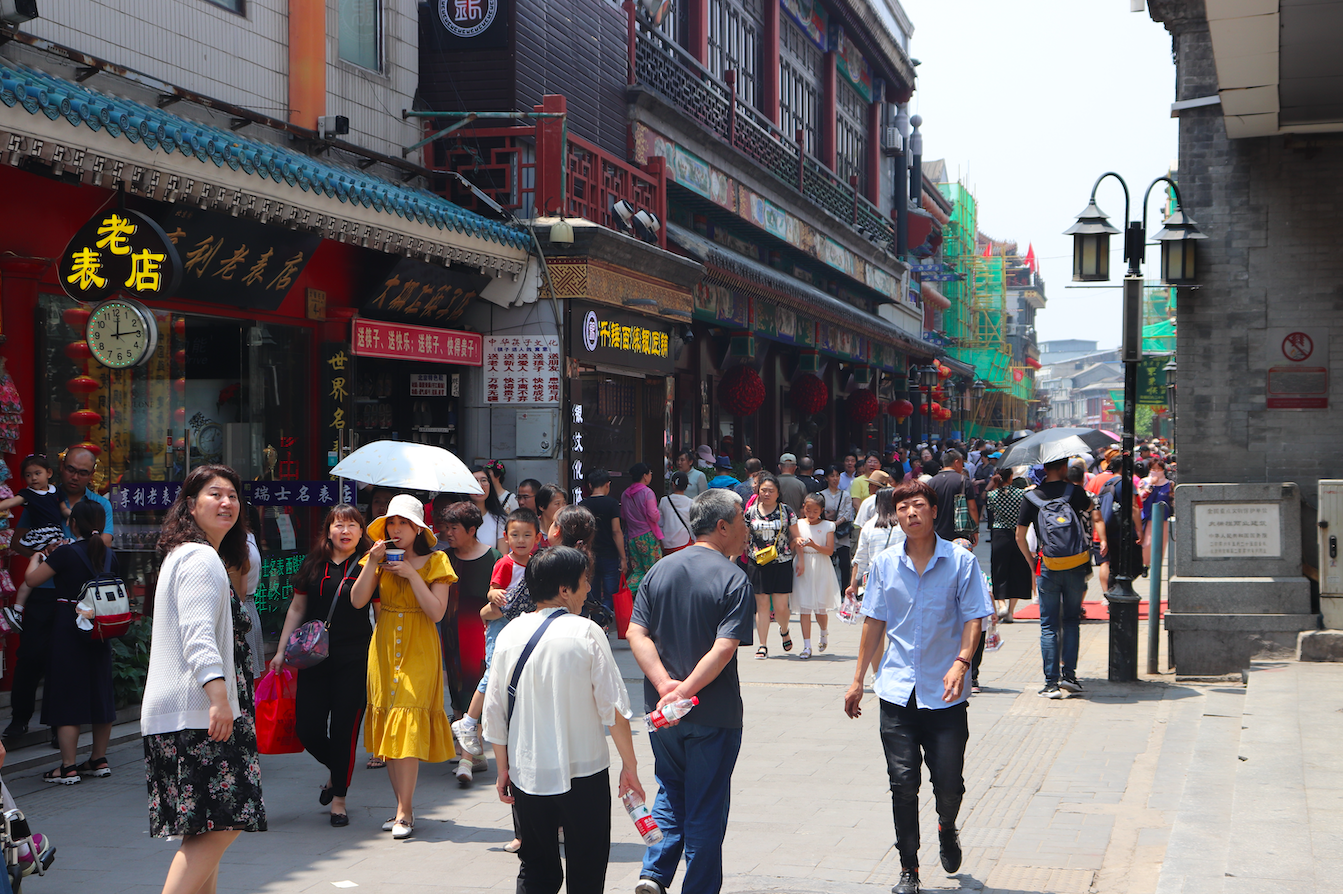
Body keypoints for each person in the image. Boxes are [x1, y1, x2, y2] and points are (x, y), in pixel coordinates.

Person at [844, 480, 992, 894]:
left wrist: (962, 663)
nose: (911, 513)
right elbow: (873, 621)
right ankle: (909, 869)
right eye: (904, 507)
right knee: (902, 782)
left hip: (945, 697)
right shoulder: (886, 564)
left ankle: (947, 826)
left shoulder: (961, 562)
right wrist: (857, 680)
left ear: (932, 511)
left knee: (948, 783)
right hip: (896, 693)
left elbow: (974, 617)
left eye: (918, 505)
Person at [483, 546, 644, 894]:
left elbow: (494, 711)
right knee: (586, 871)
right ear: (565, 589)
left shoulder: (510, 633)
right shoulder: (585, 632)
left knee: (536, 870)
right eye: (584, 582)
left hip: (528, 771)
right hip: (584, 772)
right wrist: (629, 767)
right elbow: (614, 710)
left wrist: (502, 768)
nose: (588, 589)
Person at [142, 465, 265, 894]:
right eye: (215, 494)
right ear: (190, 506)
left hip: (186, 714)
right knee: (226, 822)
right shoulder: (198, 557)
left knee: (207, 828)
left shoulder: (190, 555)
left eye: (233, 495)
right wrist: (219, 698)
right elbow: (197, 637)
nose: (227, 502)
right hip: (198, 714)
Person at [627, 489, 755, 894]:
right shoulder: (733, 578)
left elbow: (635, 632)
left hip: (663, 713)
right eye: (741, 520)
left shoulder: (660, 569)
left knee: (670, 789)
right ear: (722, 527)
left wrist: (665, 686)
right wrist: (685, 689)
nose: (747, 528)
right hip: (711, 712)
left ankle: (653, 875)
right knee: (706, 805)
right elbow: (723, 647)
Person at [350, 494, 456, 839]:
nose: (395, 529)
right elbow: (357, 600)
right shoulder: (377, 557)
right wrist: (372, 563)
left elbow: (437, 612)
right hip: (383, 648)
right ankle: (400, 807)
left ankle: (405, 812)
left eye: (403, 523)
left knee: (407, 722)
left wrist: (411, 574)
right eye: (390, 523)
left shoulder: (437, 560)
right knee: (390, 728)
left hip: (420, 646)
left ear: (418, 527)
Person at [270, 504, 372, 827]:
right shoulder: (313, 564)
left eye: (352, 525)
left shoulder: (370, 565)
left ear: (361, 532)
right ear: (328, 530)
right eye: (338, 525)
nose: (345, 531)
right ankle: (338, 769)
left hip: (355, 659)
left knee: (344, 729)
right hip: (313, 658)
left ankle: (338, 799)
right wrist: (280, 649)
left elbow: (378, 614)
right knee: (308, 728)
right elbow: (297, 608)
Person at [5, 445, 113, 743]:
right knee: (30, 655)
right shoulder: (42, 496)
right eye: (70, 469)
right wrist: (43, 553)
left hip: (80, 598)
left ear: (92, 474)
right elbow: (17, 541)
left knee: (66, 661)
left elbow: (105, 542)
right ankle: (19, 719)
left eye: (83, 472)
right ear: (60, 468)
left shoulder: (98, 504)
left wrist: (69, 550)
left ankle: (61, 727)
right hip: (44, 591)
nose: (75, 476)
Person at [25, 501, 116, 784]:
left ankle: (68, 767)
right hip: (100, 629)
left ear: (73, 524)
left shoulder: (65, 553)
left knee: (66, 693)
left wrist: (36, 557)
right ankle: (99, 759)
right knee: (100, 691)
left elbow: (31, 580)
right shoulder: (109, 554)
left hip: (70, 627)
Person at [1015, 458, 1098, 699]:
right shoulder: (1074, 491)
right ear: (1063, 468)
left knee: (1049, 624)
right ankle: (1070, 677)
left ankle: (1051, 683)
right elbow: (1091, 510)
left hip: (1047, 565)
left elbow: (1019, 536)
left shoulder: (1031, 497)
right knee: (1071, 620)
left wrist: (1031, 561)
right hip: (1076, 563)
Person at [435, 501, 500, 787]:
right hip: (449, 630)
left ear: (472, 530)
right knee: (456, 685)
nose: (448, 533)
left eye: (454, 528)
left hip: (478, 631)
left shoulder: (493, 558)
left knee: (477, 684)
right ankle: (473, 751)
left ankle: (469, 753)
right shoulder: (443, 557)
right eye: (446, 527)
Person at [0, 454, 70, 632]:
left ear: (49, 473)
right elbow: (10, 502)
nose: (33, 478)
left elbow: (64, 510)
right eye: (28, 475)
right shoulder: (27, 495)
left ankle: (17, 609)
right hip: (41, 538)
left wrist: (76, 516)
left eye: (37, 473)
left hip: (54, 536)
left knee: (36, 574)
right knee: (41, 573)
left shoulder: (57, 492)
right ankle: (17, 610)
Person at [744, 474, 797, 658]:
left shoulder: (786, 511)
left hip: (782, 562)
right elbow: (744, 537)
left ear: (778, 493)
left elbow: (795, 537)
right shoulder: (750, 512)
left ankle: (784, 629)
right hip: (757, 563)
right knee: (762, 604)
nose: (766, 494)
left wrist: (802, 559)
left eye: (770, 491)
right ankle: (762, 644)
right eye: (763, 490)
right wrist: (731, 559)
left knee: (781, 607)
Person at [792, 493, 840, 659]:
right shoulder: (797, 524)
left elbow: (829, 550)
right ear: (803, 507)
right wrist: (801, 560)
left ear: (821, 511)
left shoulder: (828, 526)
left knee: (820, 607)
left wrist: (814, 545)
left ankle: (824, 632)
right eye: (808, 510)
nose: (811, 514)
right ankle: (807, 646)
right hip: (803, 564)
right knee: (804, 607)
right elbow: (796, 543)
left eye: (815, 511)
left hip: (821, 564)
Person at [985, 469, 1032, 624]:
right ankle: (1011, 612)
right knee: (1017, 571)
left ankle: (1001, 604)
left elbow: (989, 507)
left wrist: (992, 484)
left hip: (999, 534)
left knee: (999, 570)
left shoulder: (992, 495)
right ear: (1011, 477)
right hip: (1018, 534)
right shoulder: (1021, 494)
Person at [580, 469, 626, 613]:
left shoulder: (582, 504)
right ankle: (604, 619)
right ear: (607, 485)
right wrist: (623, 557)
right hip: (609, 554)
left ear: (590, 485)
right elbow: (616, 531)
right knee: (610, 593)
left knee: (591, 592)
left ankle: (596, 620)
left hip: (589, 554)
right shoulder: (612, 503)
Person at [620, 463, 663, 597]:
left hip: (632, 537)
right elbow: (653, 515)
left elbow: (623, 515)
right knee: (654, 571)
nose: (650, 476)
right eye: (650, 473)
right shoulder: (647, 492)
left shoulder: (625, 494)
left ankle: (624, 593)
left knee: (638, 571)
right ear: (645, 476)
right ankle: (651, 600)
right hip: (647, 537)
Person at [929, 449, 979, 546]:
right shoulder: (963, 480)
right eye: (961, 463)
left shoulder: (931, 482)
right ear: (956, 462)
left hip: (936, 533)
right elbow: (972, 507)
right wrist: (975, 530)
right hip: (959, 533)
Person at [822, 464, 856, 593]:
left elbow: (848, 513)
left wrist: (835, 523)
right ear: (826, 478)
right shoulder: (821, 495)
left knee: (845, 563)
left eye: (837, 475)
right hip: (826, 533)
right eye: (832, 476)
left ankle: (844, 590)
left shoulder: (845, 494)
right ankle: (828, 590)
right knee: (827, 563)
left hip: (842, 532)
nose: (835, 479)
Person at [1140, 460, 1173, 569]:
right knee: (1147, 542)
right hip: (1148, 516)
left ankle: (1157, 565)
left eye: (1159, 469)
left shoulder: (1169, 484)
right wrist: (1151, 485)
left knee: (1161, 543)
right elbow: (1140, 497)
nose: (1156, 471)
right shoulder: (1144, 482)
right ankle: (1145, 564)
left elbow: (1172, 500)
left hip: (1164, 518)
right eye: (1153, 469)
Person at [468, 466, 509, 555]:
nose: (480, 485)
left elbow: (502, 557)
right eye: (474, 481)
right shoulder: (459, 519)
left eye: (484, 480)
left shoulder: (499, 520)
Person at [658, 471, 694, 554]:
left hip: (666, 544)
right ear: (686, 486)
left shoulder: (664, 501)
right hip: (684, 542)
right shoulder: (690, 502)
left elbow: (659, 523)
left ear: (673, 484)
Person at [535, 483, 568, 550]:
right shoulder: (532, 528)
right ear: (542, 506)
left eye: (564, 503)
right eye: (557, 503)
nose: (562, 508)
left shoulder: (567, 529)